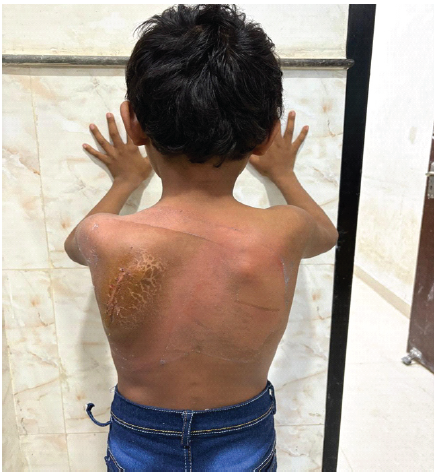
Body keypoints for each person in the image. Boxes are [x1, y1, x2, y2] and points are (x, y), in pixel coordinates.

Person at [64, 4, 339, 470]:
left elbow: (75, 245)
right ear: (267, 134)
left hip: (140, 441)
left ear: (133, 123)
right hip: (243, 437)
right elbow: (327, 235)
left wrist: (124, 182)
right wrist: (284, 174)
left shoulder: (102, 235)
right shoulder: (288, 228)